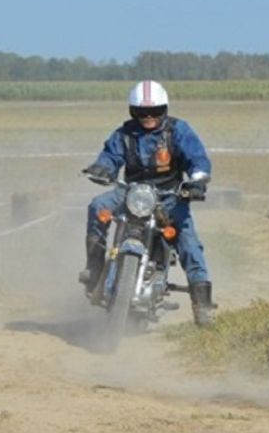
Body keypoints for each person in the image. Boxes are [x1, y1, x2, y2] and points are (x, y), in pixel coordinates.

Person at [80, 80, 217, 326]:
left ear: (165, 109)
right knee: (97, 206)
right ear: (133, 112)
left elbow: (198, 160)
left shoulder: (178, 131)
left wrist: (196, 181)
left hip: (170, 196)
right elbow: (110, 156)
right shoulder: (124, 134)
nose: (149, 117)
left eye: (155, 111)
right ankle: (95, 267)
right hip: (132, 193)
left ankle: (202, 305)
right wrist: (101, 168)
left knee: (188, 242)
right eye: (142, 112)